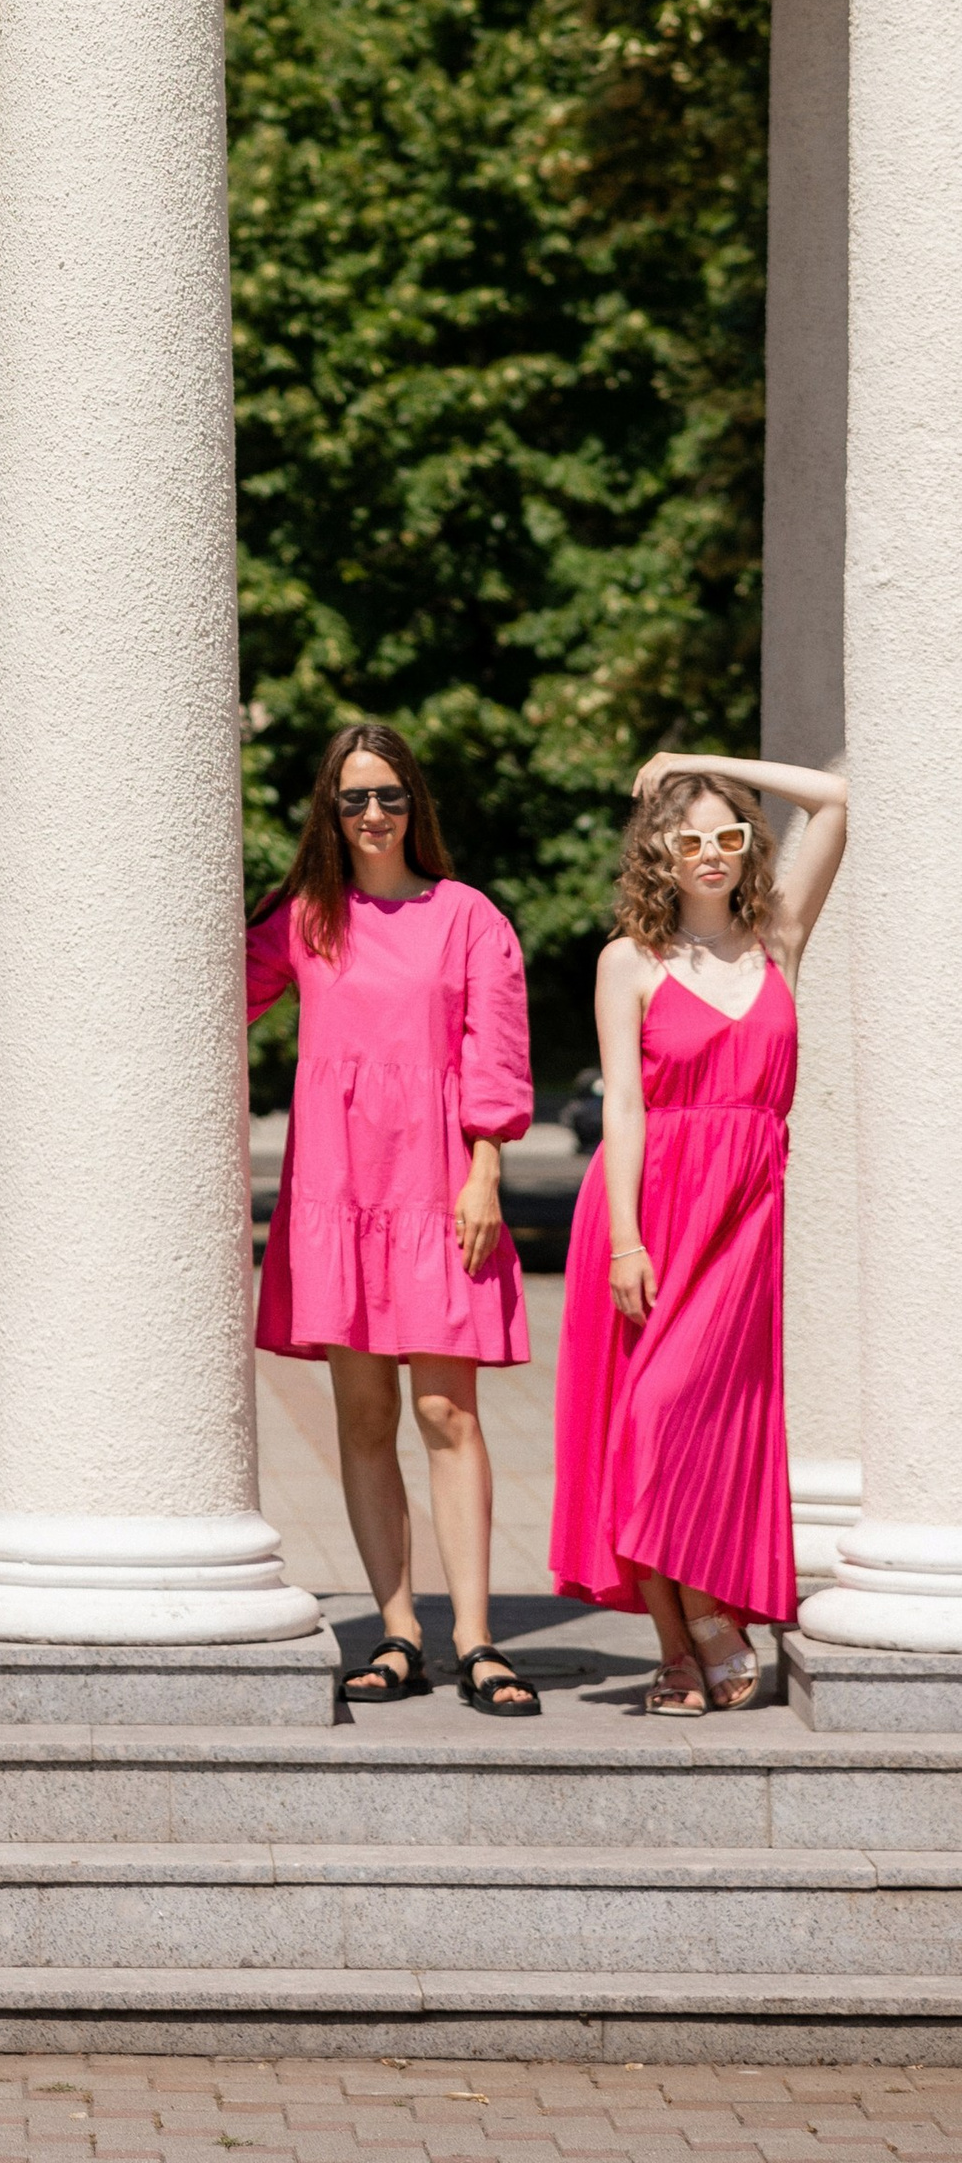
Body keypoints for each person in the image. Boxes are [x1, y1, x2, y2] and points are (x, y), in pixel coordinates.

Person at [247, 721, 539, 1719]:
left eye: (389, 795)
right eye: (353, 798)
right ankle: (397, 1633)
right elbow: (202, 991)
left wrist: (484, 1172)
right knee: (363, 1421)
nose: (373, 814)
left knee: (445, 1415)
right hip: (337, 1192)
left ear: (416, 804)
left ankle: (478, 1639)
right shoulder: (303, 919)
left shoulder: (467, 917)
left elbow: (496, 1055)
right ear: (329, 813)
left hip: (438, 1186)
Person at [550, 749, 845, 1715]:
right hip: (649, 1210)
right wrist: (628, 1239)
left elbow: (836, 798)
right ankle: (686, 1634)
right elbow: (624, 1110)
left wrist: (693, 763)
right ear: (660, 855)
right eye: (691, 839)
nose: (712, 853)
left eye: (729, 835)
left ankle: (704, 1617)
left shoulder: (779, 939)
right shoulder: (627, 962)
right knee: (640, 1421)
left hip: (746, 1213)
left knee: (696, 1419)